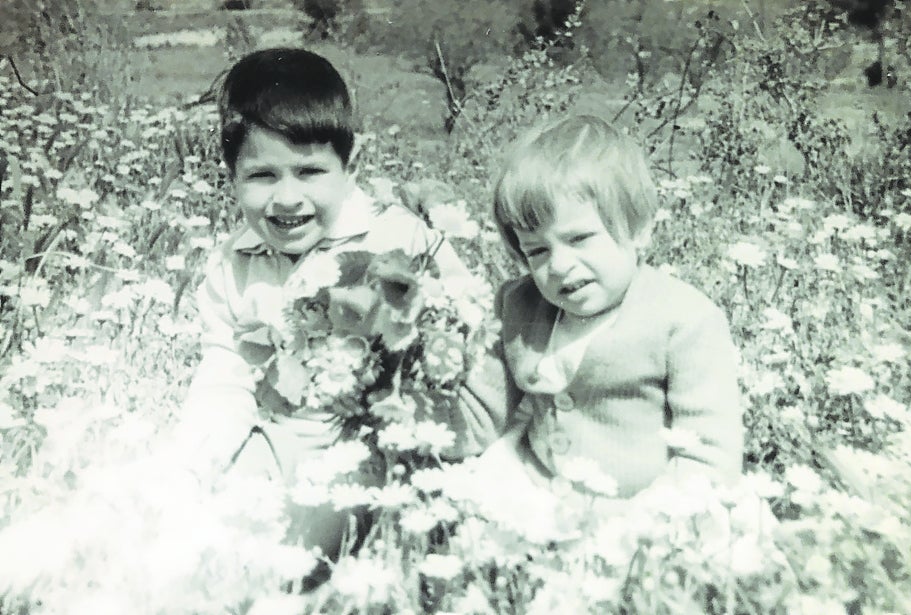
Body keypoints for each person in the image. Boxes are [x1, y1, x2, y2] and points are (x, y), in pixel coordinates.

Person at [178, 47, 510, 561]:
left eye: (310, 172)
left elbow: (469, 341)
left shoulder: (400, 240)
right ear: (231, 177)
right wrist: (191, 467)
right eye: (262, 176)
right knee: (187, 526)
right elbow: (226, 378)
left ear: (351, 168)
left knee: (286, 559)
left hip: (384, 457)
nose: (287, 198)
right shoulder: (233, 264)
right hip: (278, 448)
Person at [480, 113, 743, 525]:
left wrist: (646, 523)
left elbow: (709, 453)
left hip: (646, 506)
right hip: (539, 485)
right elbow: (486, 409)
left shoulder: (685, 320)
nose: (560, 265)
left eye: (579, 238)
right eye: (537, 251)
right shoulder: (520, 304)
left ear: (639, 229)